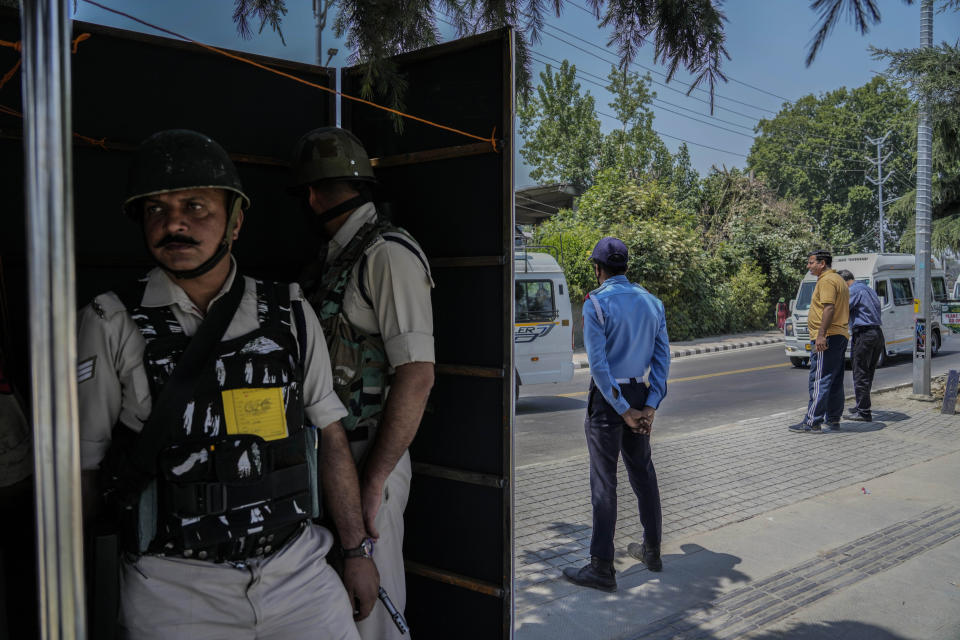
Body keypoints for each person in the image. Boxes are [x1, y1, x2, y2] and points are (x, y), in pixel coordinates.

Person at [77, 130, 375, 639]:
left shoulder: (290, 311)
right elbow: (82, 468)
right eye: (156, 209)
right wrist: (81, 591)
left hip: (296, 572)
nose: (173, 222)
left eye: (195, 206)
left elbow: (330, 436)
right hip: (173, 589)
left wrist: (355, 552)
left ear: (235, 222)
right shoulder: (109, 321)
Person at [292, 127, 435, 640]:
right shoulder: (339, 256)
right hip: (331, 462)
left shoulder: (387, 254)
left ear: (311, 194)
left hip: (370, 458)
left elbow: (417, 376)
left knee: (375, 612)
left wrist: (374, 481)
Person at [562, 237, 669, 592]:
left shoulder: (596, 304)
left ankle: (601, 567)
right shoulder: (653, 303)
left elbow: (600, 366)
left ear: (597, 269)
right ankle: (652, 550)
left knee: (605, 482)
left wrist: (622, 409)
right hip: (640, 392)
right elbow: (661, 360)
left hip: (611, 400)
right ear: (626, 267)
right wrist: (649, 405)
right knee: (643, 472)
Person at [790, 250, 849, 433]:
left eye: (811, 262)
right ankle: (833, 418)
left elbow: (829, 308)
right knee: (834, 379)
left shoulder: (827, 281)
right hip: (839, 334)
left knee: (819, 379)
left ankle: (812, 422)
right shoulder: (838, 279)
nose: (808, 266)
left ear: (822, 263)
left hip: (827, 336)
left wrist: (821, 334)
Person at [837, 269, 883, 421]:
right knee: (867, 373)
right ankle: (861, 406)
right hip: (876, 334)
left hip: (864, 334)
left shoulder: (852, 291)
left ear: (844, 282)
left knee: (860, 373)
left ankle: (863, 412)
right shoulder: (867, 289)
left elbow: (840, 309)